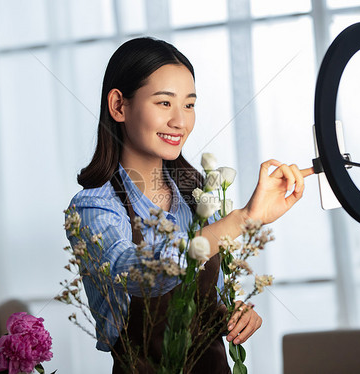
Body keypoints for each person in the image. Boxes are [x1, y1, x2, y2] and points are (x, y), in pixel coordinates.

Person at [67, 37, 313, 373]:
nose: (180, 122)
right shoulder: (93, 208)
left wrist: (235, 313)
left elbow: (213, 296)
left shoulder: (197, 196)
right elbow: (140, 275)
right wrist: (243, 218)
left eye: (189, 104)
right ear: (119, 106)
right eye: (164, 103)